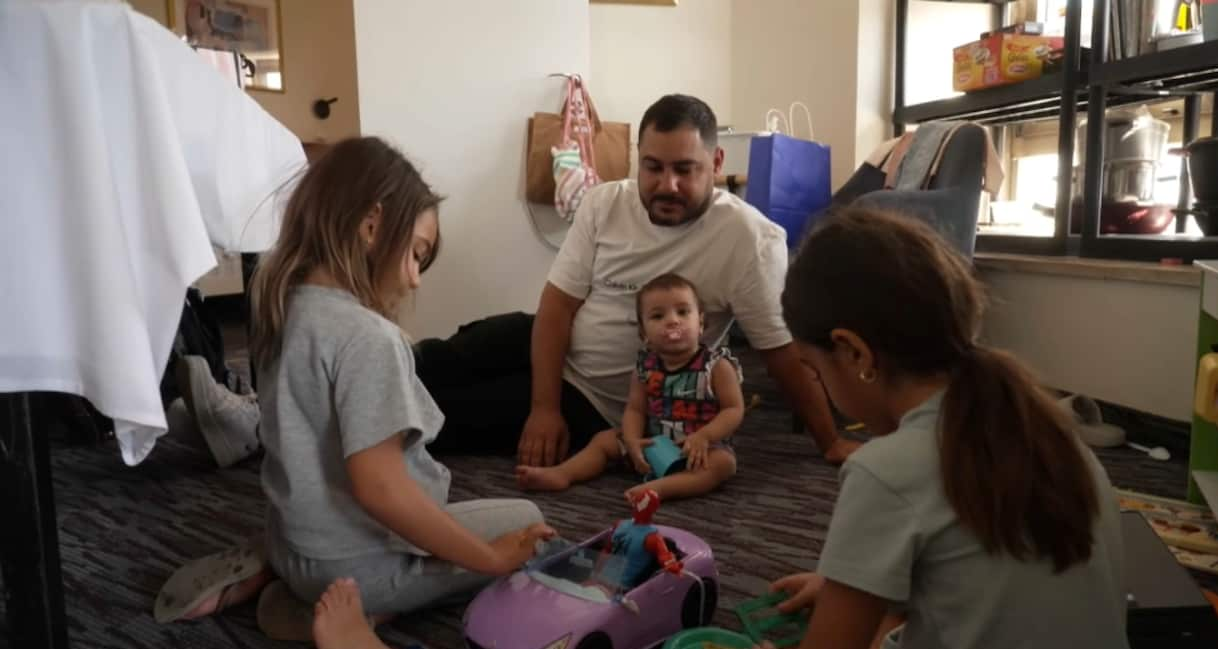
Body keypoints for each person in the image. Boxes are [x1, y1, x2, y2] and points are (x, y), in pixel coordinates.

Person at [305, 207, 1149, 649]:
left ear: (852, 354)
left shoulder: (887, 472)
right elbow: (992, 572)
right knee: (870, 648)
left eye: (813, 366)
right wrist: (875, 595)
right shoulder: (1048, 431)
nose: (811, 380)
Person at [178, 94, 858, 470]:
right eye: (653, 167)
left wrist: (830, 441)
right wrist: (541, 403)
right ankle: (258, 413)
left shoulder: (747, 240)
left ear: (715, 163)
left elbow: (778, 352)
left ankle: (264, 434)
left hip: (600, 398)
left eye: (684, 170)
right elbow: (557, 306)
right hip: (548, 343)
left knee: (436, 420)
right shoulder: (607, 201)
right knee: (433, 359)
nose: (667, 185)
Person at [160, 137, 554, 631]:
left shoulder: (281, 308)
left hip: (293, 541)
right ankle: (352, 610)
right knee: (525, 520)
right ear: (371, 227)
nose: (415, 280)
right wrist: (489, 559)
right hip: (355, 565)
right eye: (416, 254)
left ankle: (280, 572)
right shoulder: (370, 339)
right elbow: (381, 489)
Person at [515, 273, 743, 501]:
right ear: (644, 334)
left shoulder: (717, 367)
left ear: (701, 323)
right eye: (658, 316)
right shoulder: (645, 368)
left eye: (683, 312)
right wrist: (633, 440)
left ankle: (660, 489)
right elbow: (635, 409)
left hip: (699, 449)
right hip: (653, 442)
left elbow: (733, 410)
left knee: (723, 464)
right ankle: (563, 473)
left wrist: (704, 437)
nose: (673, 321)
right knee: (604, 440)